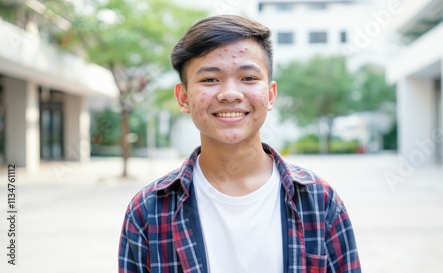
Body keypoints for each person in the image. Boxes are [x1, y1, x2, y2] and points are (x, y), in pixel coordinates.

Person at [118, 14, 361, 273]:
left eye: (248, 78)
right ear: (183, 97)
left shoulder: (319, 201)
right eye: (210, 79)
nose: (230, 94)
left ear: (270, 94)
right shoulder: (148, 211)